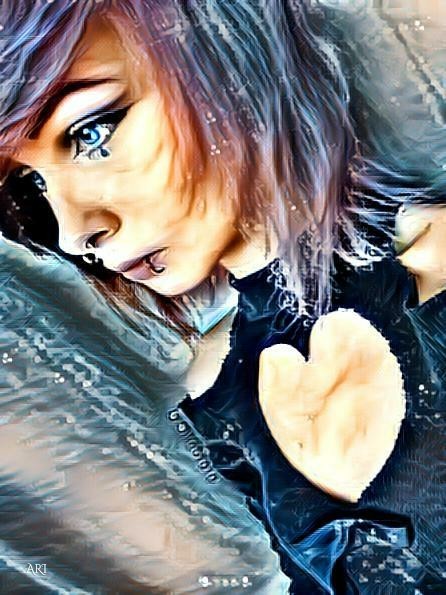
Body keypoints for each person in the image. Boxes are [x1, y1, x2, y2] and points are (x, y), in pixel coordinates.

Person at [0, 1, 444, 592]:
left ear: (223, 56)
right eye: (33, 184)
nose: (74, 231)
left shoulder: (436, 262)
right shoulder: (216, 387)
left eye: (92, 133)